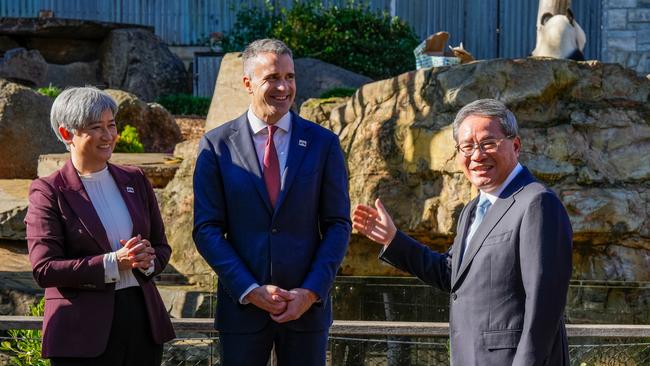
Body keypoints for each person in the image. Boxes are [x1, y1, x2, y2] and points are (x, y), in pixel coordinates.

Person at [353, 99, 572, 366]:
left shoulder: (536, 202)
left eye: (488, 143)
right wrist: (393, 239)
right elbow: (451, 274)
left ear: (515, 146)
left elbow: (545, 304)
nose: (477, 155)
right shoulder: (473, 209)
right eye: (467, 147)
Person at [192, 38, 351, 366]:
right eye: (272, 78)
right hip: (242, 311)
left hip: (305, 311)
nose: (283, 87)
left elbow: (337, 224)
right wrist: (249, 289)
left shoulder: (323, 143)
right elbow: (206, 229)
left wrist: (310, 292)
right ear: (248, 83)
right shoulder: (216, 146)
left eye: (289, 77)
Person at [25, 87, 175, 365]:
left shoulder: (135, 179)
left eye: (112, 125)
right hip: (81, 332)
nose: (109, 136)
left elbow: (161, 246)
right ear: (67, 134)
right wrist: (112, 263)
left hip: (142, 321)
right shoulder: (48, 191)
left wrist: (148, 260)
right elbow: (44, 269)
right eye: (96, 127)